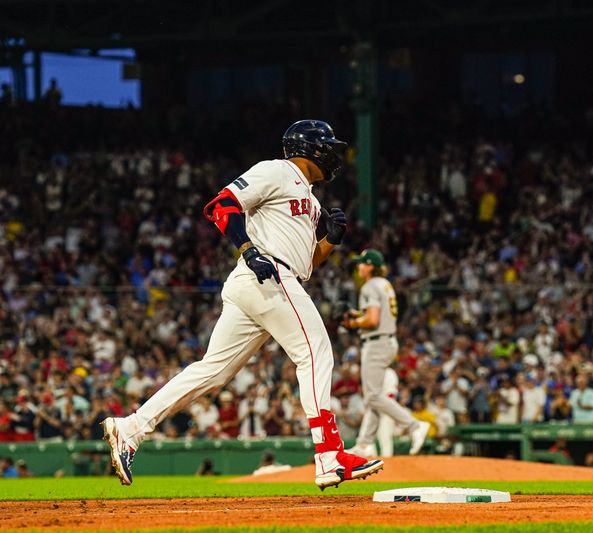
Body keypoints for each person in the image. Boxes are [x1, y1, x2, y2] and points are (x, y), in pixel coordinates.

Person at [101, 120, 383, 490]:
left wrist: (329, 240)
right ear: (311, 147)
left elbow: (309, 264)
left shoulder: (312, 200)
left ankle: (131, 428)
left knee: (212, 371)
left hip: (271, 280)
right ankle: (329, 455)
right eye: (328, 145)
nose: (334, 153)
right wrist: (248, 250)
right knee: (315, 352)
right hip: (265, 274)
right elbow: (222, 205)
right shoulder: (276, 170)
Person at [342, 248, 430, 457]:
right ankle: (364, 444)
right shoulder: (385, 284)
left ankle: (414, 425)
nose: (359, 267)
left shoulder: (370, 286)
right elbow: (375, 315)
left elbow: (372, 320)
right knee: (375, 395)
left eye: (362, 263)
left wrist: (352, 322)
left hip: (376, 343)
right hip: (388, 340)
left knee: (372, 396)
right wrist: (356, 314)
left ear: (370, 266)